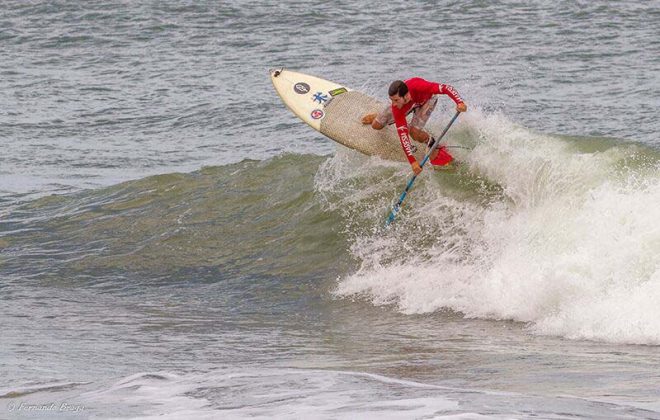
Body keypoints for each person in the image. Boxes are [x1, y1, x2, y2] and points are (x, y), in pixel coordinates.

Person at [361, 78, 467, 175]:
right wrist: (413, 162)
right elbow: (403, 136)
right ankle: (378, 116)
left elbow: (446, 88)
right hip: (405, 106)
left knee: (414, 133)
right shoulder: (396, 107)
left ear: (406, 95)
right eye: (391, 100)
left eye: (396, 100)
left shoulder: (417, 85)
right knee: (376, 126)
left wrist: (459, 102)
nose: (393, 104)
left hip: (427, 101)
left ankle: (432, 143)